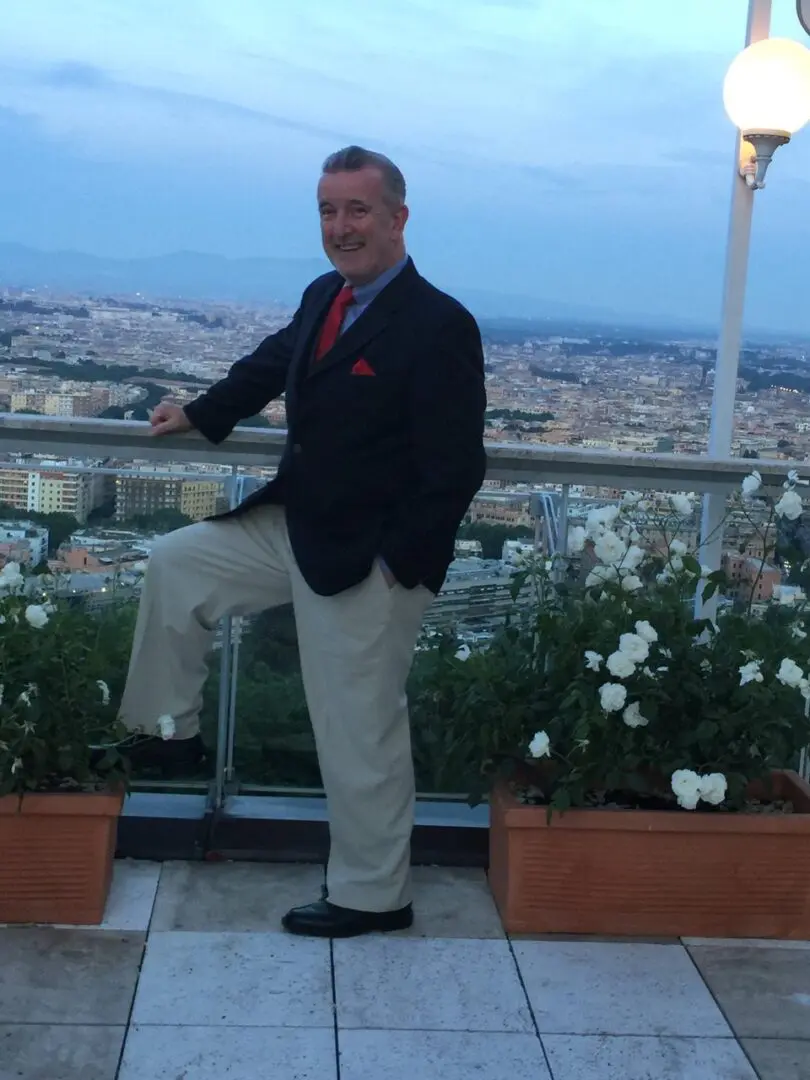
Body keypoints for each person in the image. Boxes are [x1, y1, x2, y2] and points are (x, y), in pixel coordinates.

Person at [118, 145, 487, 937]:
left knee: (358, 727)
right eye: (328, 210)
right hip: (293, 522)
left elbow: (455, 469)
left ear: (397, 216)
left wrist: (401, 568)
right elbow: (272, 364)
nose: (340, 226)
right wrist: (200, 412)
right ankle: (167, 736)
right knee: (175, 563)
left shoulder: (439, 324)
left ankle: (372, 895)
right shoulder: (326, 294)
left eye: (357, 210)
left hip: (370, 556)